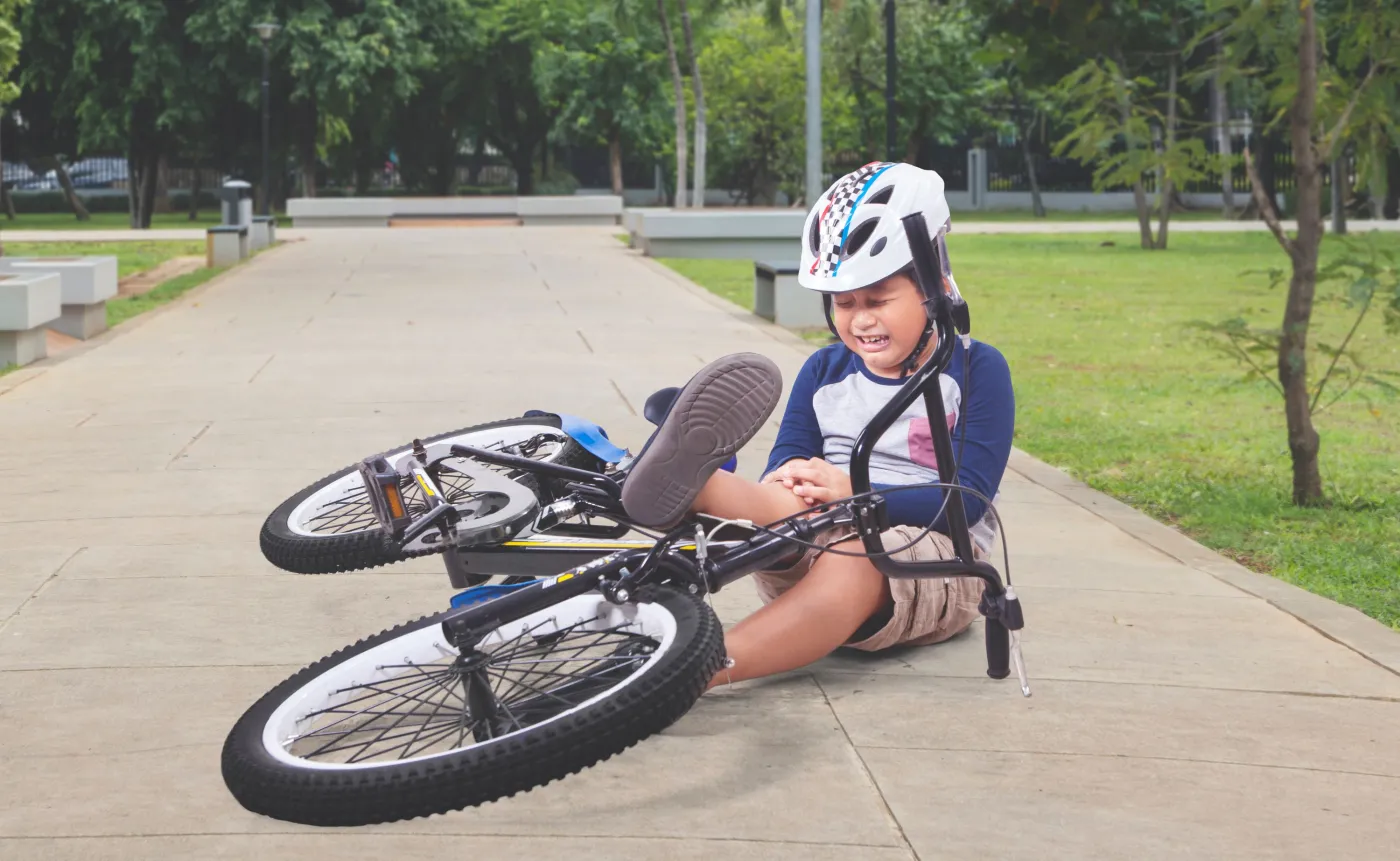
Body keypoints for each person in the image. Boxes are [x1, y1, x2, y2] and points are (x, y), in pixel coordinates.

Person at [619, 162, 1015, 689]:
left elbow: (966, 500)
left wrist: (855, 492)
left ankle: (693, 667)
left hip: (932, 554)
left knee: (860, 551)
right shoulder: (823, 371)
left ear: (935, 287)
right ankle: (683, 481)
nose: (860, 319)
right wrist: (790, 480)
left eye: (878, 301)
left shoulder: (976, 369)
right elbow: (789, 455)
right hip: (812, 534)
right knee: (777, 494)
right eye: (844, 304)